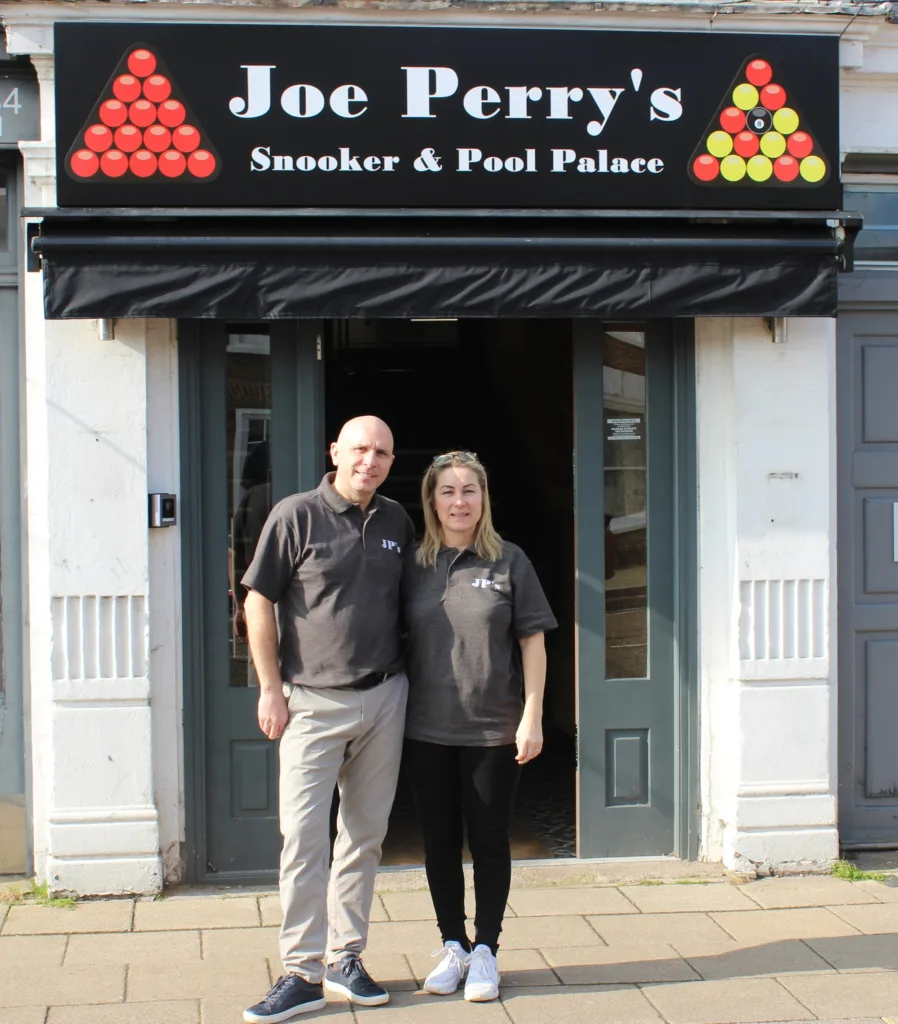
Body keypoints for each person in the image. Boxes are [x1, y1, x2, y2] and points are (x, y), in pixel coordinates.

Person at [241, 416, 414, 1024]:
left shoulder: (396, 520)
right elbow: (258, 599)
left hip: (384, 697)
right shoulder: (295, 514)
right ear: (335, 451)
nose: (370, 460)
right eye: (360, 448)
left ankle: (347, 957)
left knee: (364, 837)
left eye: (383, 452)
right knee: (305, 840)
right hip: (310, 702)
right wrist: (269, 687)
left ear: (392, 462)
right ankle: (301, 972)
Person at [403, 451, 557, 1002]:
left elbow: (533, 640)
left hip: (493, 729)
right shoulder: (413, 564)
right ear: (432, 500)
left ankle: (487, 949)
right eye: (447, 491)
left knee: (490, 840)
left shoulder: (508, 561)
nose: (459, 500)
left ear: (483, 499)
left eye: (469, 490)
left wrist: (532, 715)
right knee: (439, 843)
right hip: (426, 729)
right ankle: (453, 944)